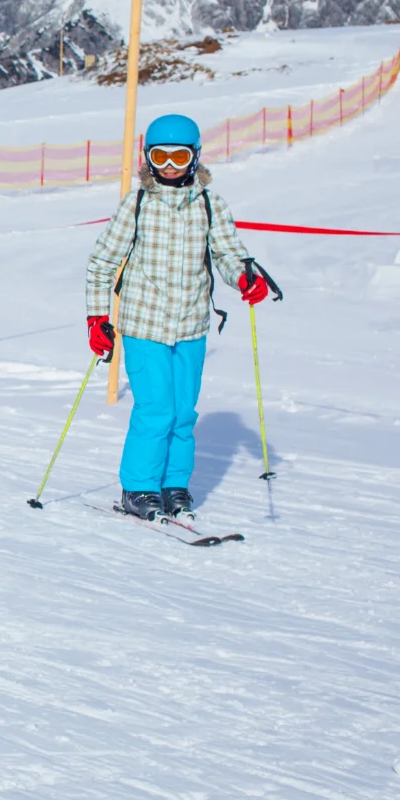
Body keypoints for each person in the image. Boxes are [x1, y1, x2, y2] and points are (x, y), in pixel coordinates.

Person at [85, 113, 272, 522]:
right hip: (144, 324)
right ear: (148, 158)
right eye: (161, 155)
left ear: (195, 157)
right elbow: (102, 262)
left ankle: (173, 486)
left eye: (180, 155)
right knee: (156, 409)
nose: (170, 164)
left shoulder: (209, 203)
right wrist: (96, 317)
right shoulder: (136, 205)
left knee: (184, 412)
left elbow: (226, 252)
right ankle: (138, 488)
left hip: (190, 325)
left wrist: (243, 276)